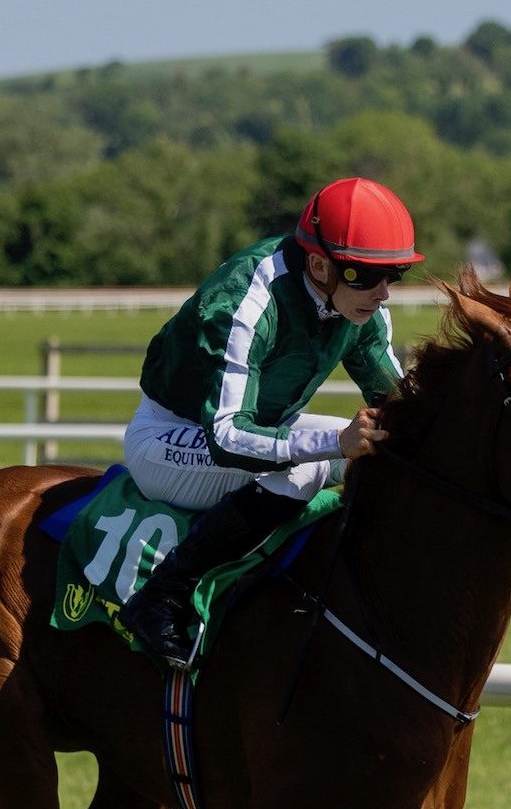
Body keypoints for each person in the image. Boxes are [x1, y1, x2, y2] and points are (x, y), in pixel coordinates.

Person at [117, 176, 423, 666]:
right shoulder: (247, 299)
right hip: (172, 438)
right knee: (309, 465)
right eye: (366, 275)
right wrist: (335, 442)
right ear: (321, 264)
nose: (383, 293)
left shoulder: (360, 307)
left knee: (383, 449)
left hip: (251, 431)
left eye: (394, 276)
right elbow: (228, 437)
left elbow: (400, 408)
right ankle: (163, 595)